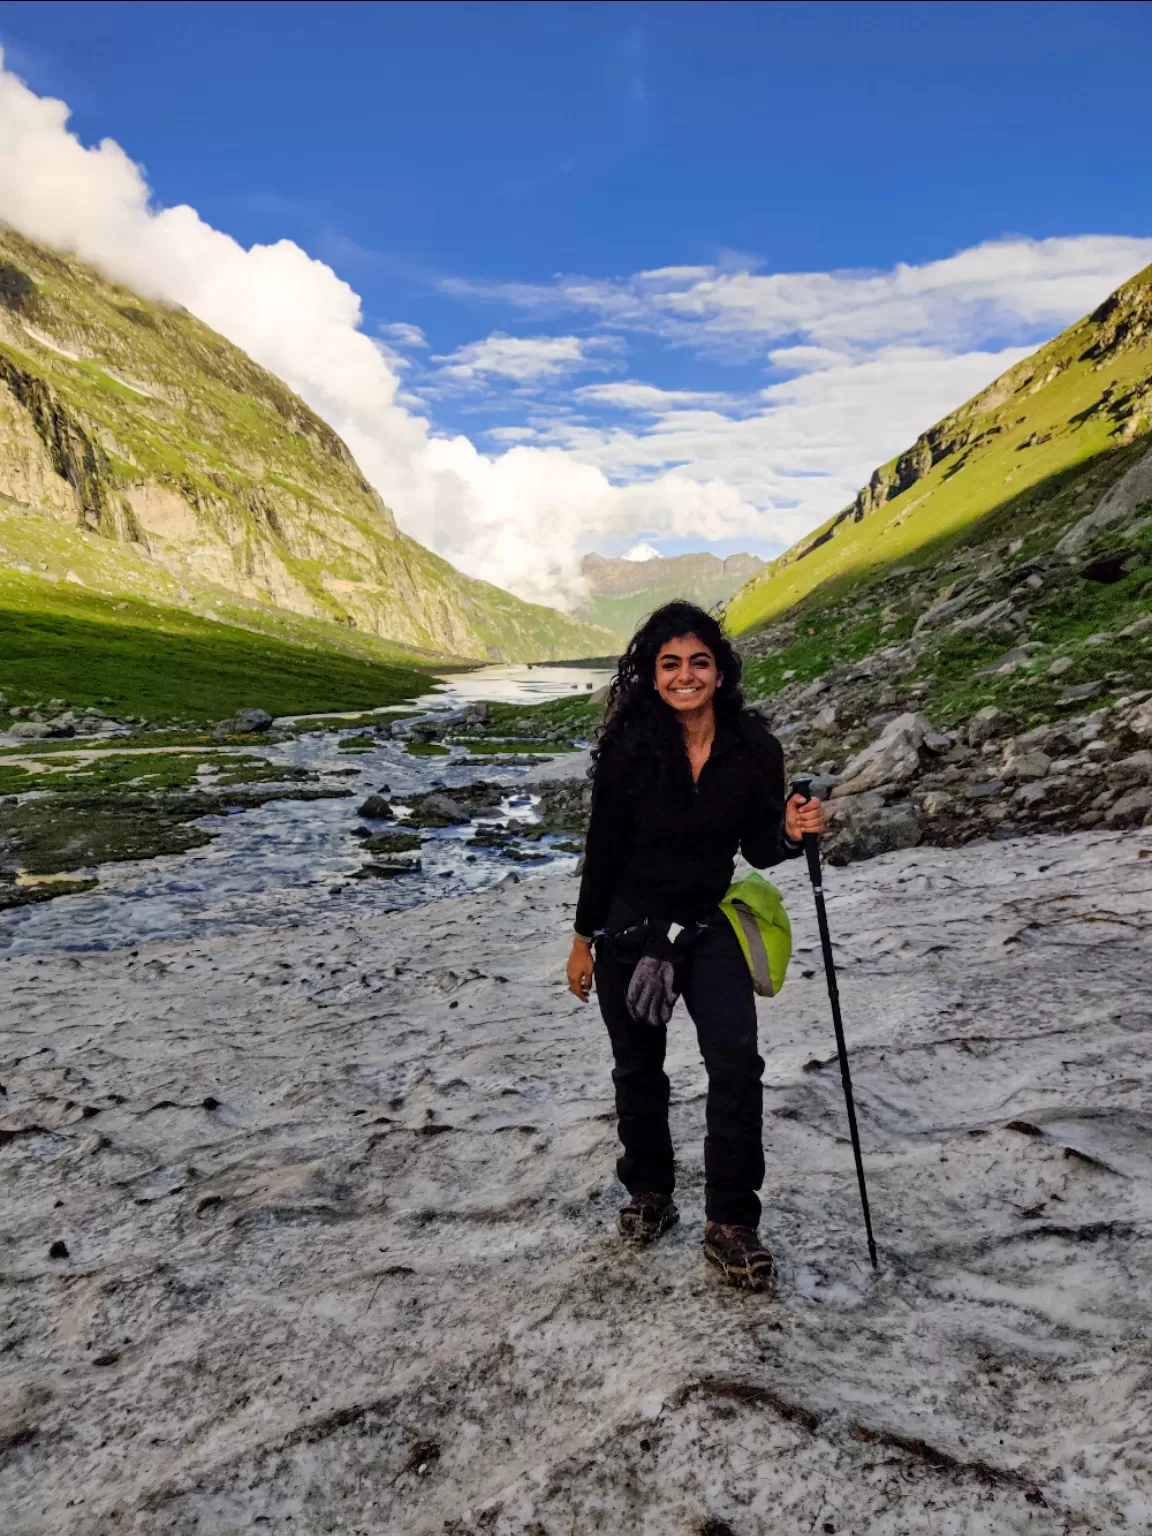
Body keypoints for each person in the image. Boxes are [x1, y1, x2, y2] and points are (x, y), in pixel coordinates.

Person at [566, 601, 825, 1291]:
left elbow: (761, 848)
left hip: (707, 926)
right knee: (638, 1068)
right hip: (630, 930)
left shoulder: (753, 748)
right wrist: (583, 939)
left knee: (736, 1062)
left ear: (719, 671)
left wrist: (793, 834)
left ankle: (731, 1223)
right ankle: (649, 1191)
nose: (685, 676)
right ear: (651, 676)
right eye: (670, 664)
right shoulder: (630, 748)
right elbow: (604, 850)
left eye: (699, 662)